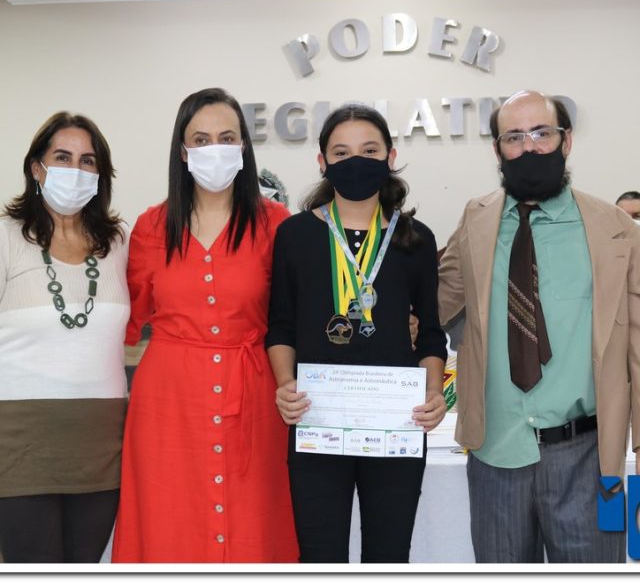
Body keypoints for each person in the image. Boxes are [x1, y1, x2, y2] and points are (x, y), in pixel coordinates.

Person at [438, 90, 640, 563]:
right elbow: (433, 305)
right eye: (514, 137)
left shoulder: (617, 231)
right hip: (495, 456)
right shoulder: (475, 221)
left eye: (541, 133)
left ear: (566, 141)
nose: (529, 147)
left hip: (590, 460)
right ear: (497, 150)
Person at [111, 88, 298, 563]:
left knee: (255, 524)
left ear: (243, 146)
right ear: (182, 151)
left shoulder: (276, 223)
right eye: (201, 139)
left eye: (226, 137)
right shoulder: (152, 226)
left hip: (255, 400)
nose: (215, 148)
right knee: (169, 524)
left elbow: (296, 314)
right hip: (168, 405)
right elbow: (121, 317)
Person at [266, 103, 448, 563]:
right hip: (316, 423)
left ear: (390, 156)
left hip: (396, 426)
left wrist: (432, 393)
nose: (356, 162)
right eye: (341, 152)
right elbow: (281, 325)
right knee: (320, 558)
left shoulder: (417, 239)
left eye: (369, 150)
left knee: (389, 557)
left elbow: (431, 334)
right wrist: (285, 384)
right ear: (322, 162)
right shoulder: (295, 235)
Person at [0, 112, 129, 563]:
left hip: (101, 450)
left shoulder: (117, 243)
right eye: (62, 157)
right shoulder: (6, 236)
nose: (76, 170)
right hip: (20, 447)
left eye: (87, 161)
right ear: (37, 168)